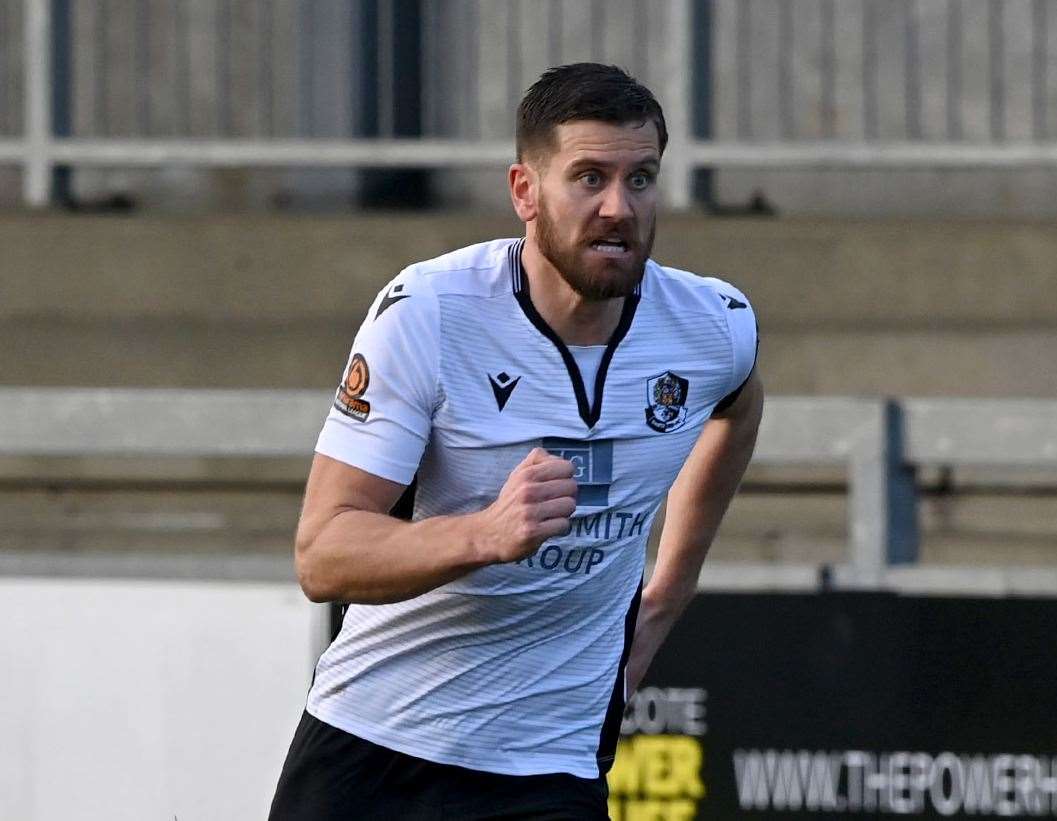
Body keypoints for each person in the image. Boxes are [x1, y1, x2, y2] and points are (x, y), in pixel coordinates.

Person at [269, 62, 763, 820]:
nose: (617, 207)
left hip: (551, 767)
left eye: (640, 179)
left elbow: (736, 400)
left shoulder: (711, 326)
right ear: (524, 191)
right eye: (588, 177)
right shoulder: (430, 313)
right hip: (376, 749)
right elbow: (323, 553)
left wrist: (669, 588)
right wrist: (483, 534)